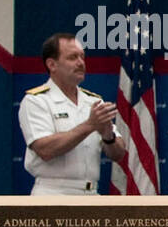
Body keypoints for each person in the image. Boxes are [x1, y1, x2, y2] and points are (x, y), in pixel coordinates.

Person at [18, 33, 127, 195]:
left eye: (82, 57)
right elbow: (45, 150)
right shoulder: (36, 101)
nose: (80, 63)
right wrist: (90, 125)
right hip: (52, 194)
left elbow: (118, 154)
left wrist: (108, 136)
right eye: (72, 57)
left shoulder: (94, 102)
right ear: (52, 64)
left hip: (91, 194)